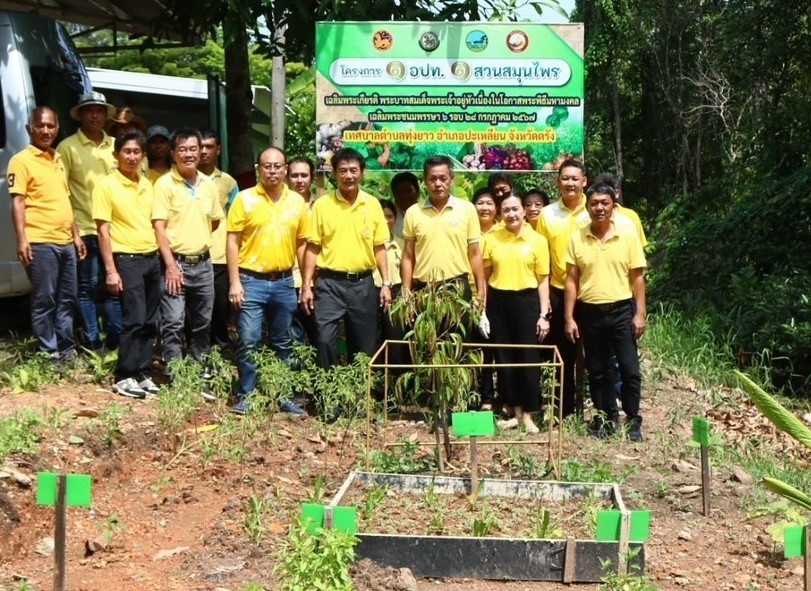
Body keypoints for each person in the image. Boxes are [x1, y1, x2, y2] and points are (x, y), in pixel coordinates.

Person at [227, 147, 309, 415]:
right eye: (267, 166)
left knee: (283, 341)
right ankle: (247, 395)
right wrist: (234, 282)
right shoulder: (244, 199)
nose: (272, 171)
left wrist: (306, 281)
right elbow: (232, 242)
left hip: (285, 282)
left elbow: (301, 244)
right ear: (258, 169)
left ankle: (283, 394)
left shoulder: (297, 202)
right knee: (249, 339)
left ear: (285, 169)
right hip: (251, 280)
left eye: (277, 166)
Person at [563, 182, 647, 441]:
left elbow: (638, 278)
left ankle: (633, 420)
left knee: (630, 369)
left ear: (613, 206)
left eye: (604, 203)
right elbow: (571, 280)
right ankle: (605, 419)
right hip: (589, 312)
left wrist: (640, 313)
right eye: (594, 204)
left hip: (621, 310)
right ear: (587, 207)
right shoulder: (577, 237)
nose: (599, 208)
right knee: (598, 371)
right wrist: (568, 317)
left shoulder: (628, 234)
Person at [300, 148, 391, 370]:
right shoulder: (322, 205)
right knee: (323, 340)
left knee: (364, 345)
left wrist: (386, 283)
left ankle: (359, 400)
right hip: (329, 284)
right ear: (334, 173)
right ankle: (330, 398)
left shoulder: (372, 204)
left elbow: (380, 247)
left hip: (363, 285)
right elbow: (312, 247)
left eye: (353, 170)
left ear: (362, 172)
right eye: (342, 171)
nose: (348, 176)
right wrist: (306, 285)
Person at [9, 107, 85, 362]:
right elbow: (18, 202)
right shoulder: (21, 160)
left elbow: (65, 199)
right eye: (40, 125)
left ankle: (65, 349)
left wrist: (75, 235)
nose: (45, 130)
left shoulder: (58, 158)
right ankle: (48, 352)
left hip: (66, 242)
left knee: (67, 298)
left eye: (50, 126)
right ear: (29, 128)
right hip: (40, 242)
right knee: (45, 299)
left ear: (57, 129)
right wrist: (22, 239)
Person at [152, 128, 223, 394]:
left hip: (204, 264)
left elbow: (214, 221)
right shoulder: (164, 185)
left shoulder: (208, 184)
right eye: (182, 149)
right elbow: (158, 227)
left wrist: (197, 240)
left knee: (203, 323)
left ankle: (198, 371)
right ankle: (178, 377)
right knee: (173, 322)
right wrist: (171, 265)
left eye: (193, 149)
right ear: (173, 153)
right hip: (175, 265)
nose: (189, 154)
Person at [92, 130, 161, 399]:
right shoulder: (106, 186)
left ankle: (143, 373)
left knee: (150, 320)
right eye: (126, 151)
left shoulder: (147, 184)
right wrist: (110, 270)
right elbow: (103, 231)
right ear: (116, 154)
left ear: (143, 156)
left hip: (151, 258)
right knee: (133, 318)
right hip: (126, 259)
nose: (131, 157)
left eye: (136, 152)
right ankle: (124, 375)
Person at [56, 91, 121, 352]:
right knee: (87, 288)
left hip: (118, 231)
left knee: (114, 288)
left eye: (99, 110)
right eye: (89, 110)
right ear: (80, 114)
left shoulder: (117, 146)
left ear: (106, 115)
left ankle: (114, 342)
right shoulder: (67, 147)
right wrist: (74, 233)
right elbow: (62, 193)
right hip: (84, 228)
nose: (94, 114)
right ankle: (93, 343)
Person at [483, 195, 551, 433]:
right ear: (500, 214)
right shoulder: (491, 239)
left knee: (529, 358)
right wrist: (482, 309)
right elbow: (485, 275)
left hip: (527, 301)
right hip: (498, 302)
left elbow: (543, 279)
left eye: (515, 209)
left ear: (524, 211)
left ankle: (531, 412)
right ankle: (513, 409)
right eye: (506, 210)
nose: (511, 214)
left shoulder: (538, 240)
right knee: (504, 358)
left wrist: (544, 314)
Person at [537, 158, 590, 418]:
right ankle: (565, 410)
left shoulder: (595, 210)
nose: (570, 183)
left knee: (596, 354)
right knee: (564, 354)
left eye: (574, 178)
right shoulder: (547, 214)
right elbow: (542, 258)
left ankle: (598, 409)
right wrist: (545, 299)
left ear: (584, 181)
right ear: (558, 181)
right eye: (565, 178)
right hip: (559, 292)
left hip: (592, 293)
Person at [401, 155, 486, 300]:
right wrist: (406, 290)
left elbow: (475, 254)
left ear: (452, 180)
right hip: (424, 290)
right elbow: (408, 257)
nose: (438, 184)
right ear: (425, 181)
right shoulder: (413, 212)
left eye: (443, 178)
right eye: (432, 179)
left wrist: (481, 291)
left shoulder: (467, 209)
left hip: (458, 288)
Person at [198, 128, 239, 350]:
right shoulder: (184, 179)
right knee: (194, 307)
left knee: (220, 305)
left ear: (218, 150)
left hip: (220, 253)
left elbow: (236, 219)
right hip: (191, 251)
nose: (204, 152)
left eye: (209, 147)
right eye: (200, 147)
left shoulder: (229, 183)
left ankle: (220, 347)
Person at [287, 156, 320, 348]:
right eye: (295, 175)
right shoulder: (279, 206)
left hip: (318, 281)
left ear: (312, 178)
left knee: (320, 336)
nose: (299, 180)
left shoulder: (323, 207)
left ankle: (319, 377)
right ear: (287, 177)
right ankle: (294, 376)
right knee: (292, 337)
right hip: (288, 280)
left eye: (304, 175)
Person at [471, 187, 499, 411]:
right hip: (467, 296)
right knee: (469, 349)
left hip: (496, 298)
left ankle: (489, 398)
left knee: (490, 351)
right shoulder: (466, 230)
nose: (485, 208)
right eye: (480, 203)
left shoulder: (503, 231)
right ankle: (469, 395)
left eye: (489, 203)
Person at [390, 171, 420, 246]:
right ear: (394, 193)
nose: (405, 196)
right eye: (400, 192)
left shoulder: (426, 212)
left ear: (418, 191)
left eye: (409, 191)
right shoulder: (388, 214)